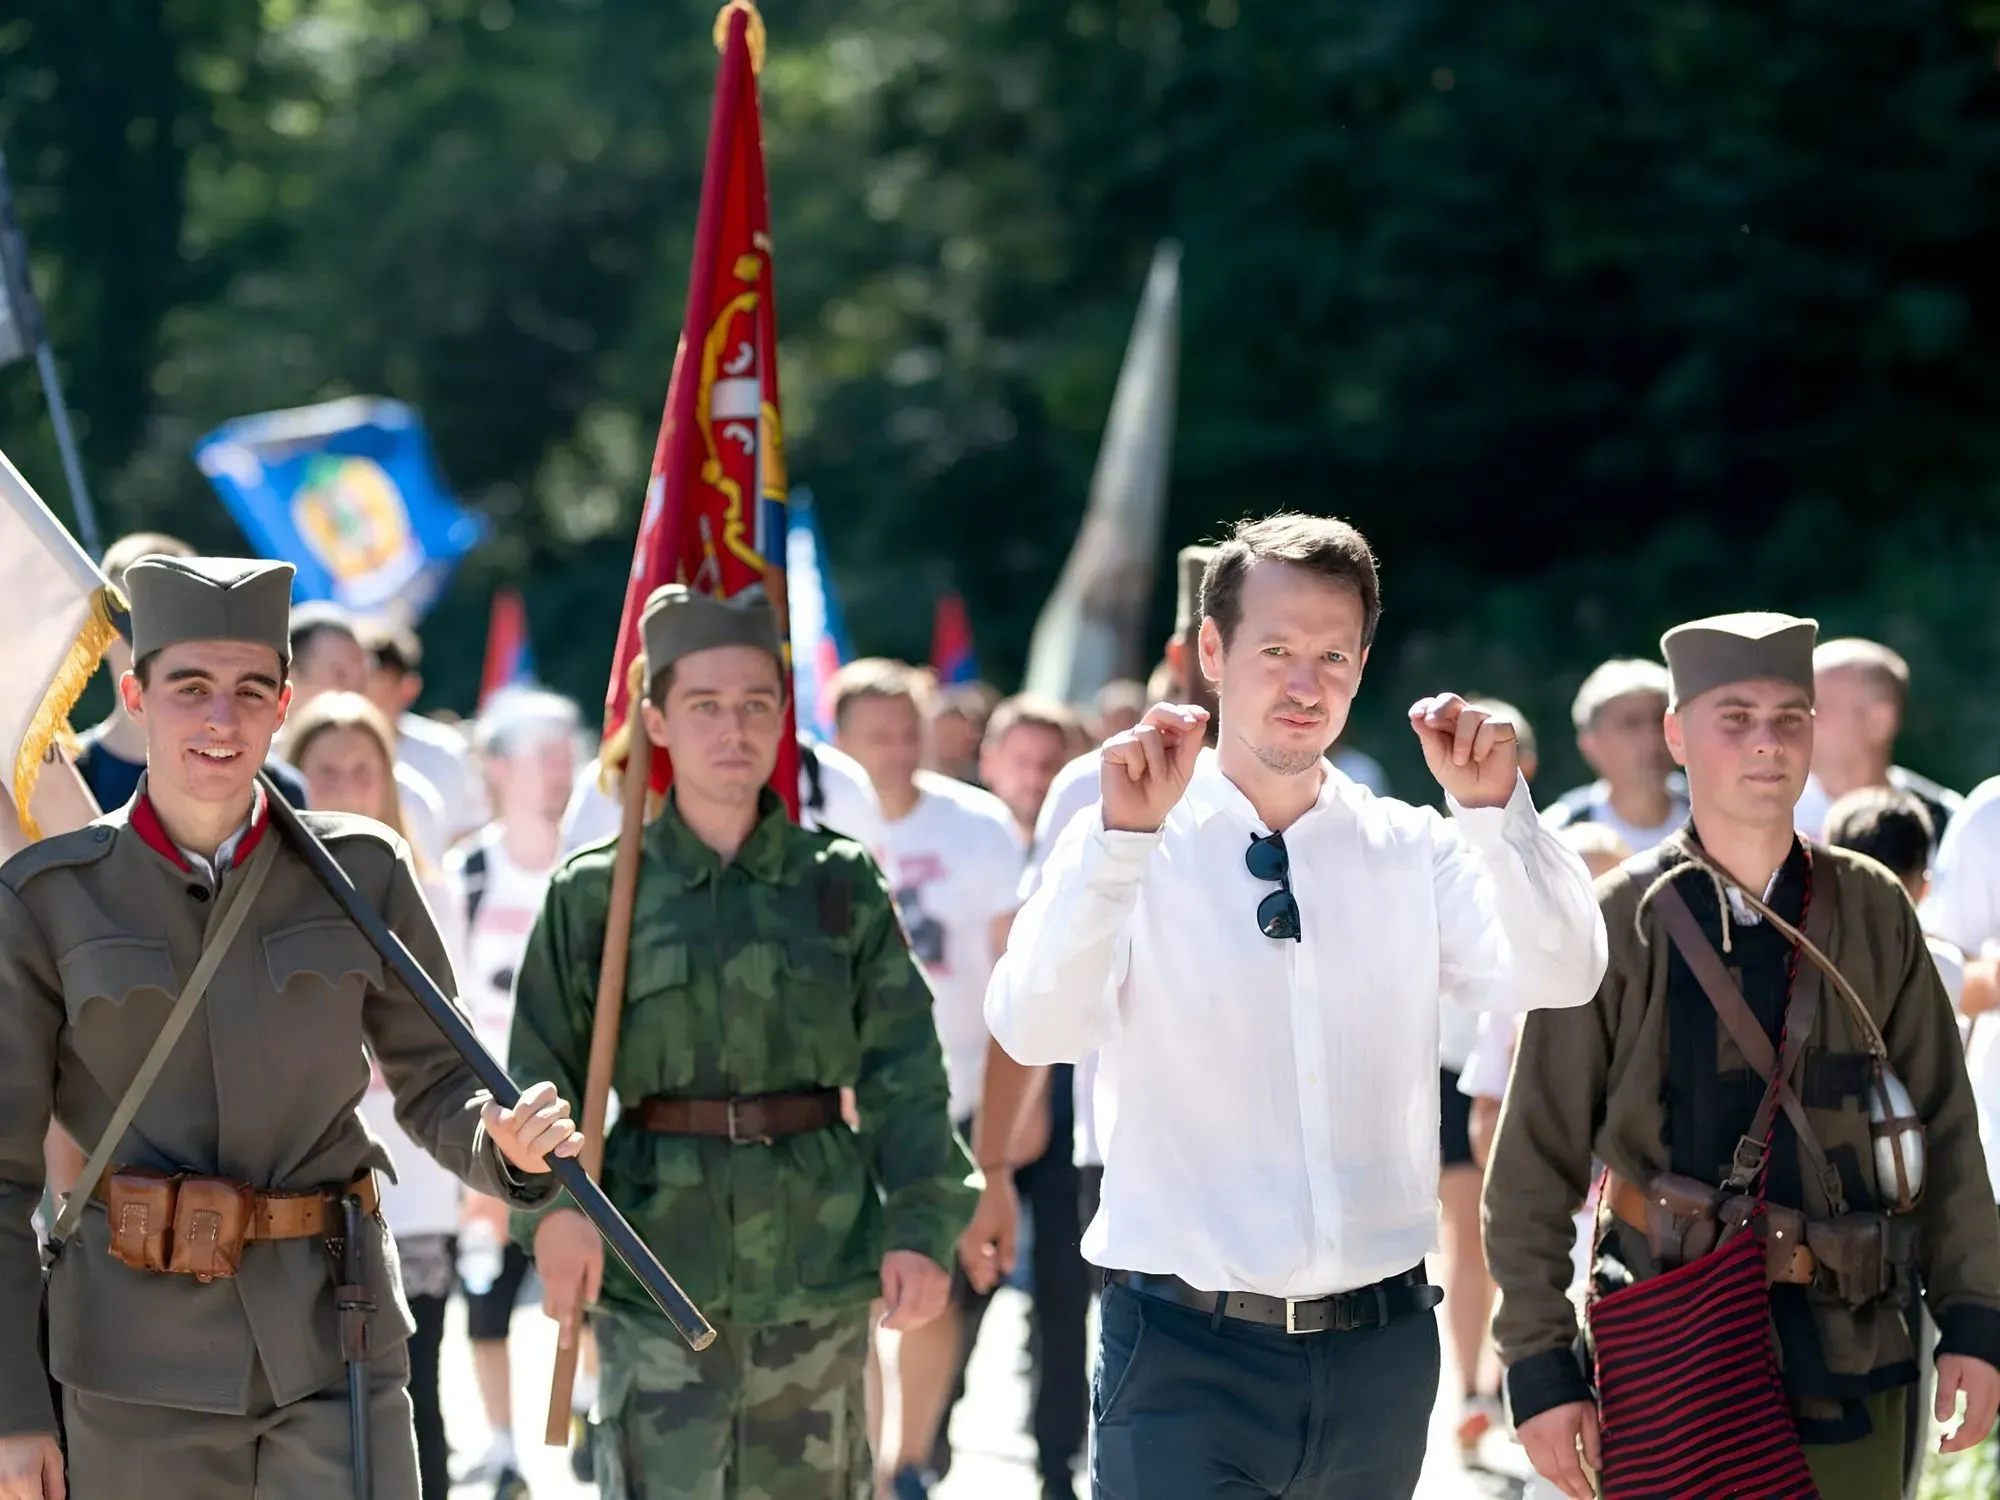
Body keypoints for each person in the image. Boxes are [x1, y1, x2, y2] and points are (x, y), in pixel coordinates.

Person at [987, 513, 1609, 1500]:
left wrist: (1499, 818)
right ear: (1210, 652)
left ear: (1362, 663)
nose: (1303, 683)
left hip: (1380, 1354)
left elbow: (1562, 973)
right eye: (1274, 650)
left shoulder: (1413, 844)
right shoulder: (1125, 833)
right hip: (1180, 1351)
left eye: (1330, 654)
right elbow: (1033, 1026)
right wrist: (1115, 851)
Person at [0, 553, 582, 1500]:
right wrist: (15, 1411)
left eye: (248, 690)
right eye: (191, 689)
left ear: (284, 704)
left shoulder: (364, 871)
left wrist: (501, 1144)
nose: (220, 720)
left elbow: (442, 1079)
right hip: (133, 1372)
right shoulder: (48, 898)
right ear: (136, 695)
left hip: (334, 1343)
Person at [1484, 611, 2000, 1500]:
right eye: (1736, 718)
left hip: (1857, 1344)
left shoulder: (1873, 906)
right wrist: (1540, 1368)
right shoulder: (1618, 920)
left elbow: (1948, 1133)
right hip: (1671, 1348)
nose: (1767, 744)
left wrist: (1975, 1321)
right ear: (1678, 735)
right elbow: (1533, 1161)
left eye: (1790, 718)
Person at [506, 586, 977, 1500]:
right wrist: (554, 1210)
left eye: (758, 705)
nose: (735, 729)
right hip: (652, 1262)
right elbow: (537, 1077)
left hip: (819, 1261)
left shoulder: (839, 885)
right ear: (657, 720)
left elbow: (906, 1076)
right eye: (706, 707)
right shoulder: (597, 896)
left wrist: (921, 1224)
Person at [824, 658, 1025, 1498]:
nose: (899, 750)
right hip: (842, 1106)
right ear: (840, 744)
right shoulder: (814, 826)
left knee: (932, 1291)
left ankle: (911, 1459)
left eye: (911, 731)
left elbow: (1016, 979)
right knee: (859, 1302)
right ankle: (868, 1468)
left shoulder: (977, 828)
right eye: (879, 736)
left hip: (954, 1098)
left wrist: (1012, 1125)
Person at [285, 689, 468, 1500]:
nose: (349, 785)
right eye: (328, 770)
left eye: (365, 769)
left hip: (416, 1170)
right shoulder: (272, 893)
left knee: (414, 1375)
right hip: (307, 1175)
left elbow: (460, 1040)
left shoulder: (427, 884)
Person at [451, 687, 584, 1499]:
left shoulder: (589, 872)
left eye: (568, 755)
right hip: (488, 1126)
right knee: (488, 1290)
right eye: (542, 754)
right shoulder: (466, 874)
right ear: (498, 768)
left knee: (584, 1284)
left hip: (579, 1119)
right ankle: (503, 1449)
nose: (560, 773)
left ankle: (590, 1421)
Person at [74, 531, 312, 817]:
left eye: (175, 621)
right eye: (127, 618)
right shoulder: (69, 774)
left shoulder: (277, 789)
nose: (147, 639)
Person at [289, 601, 450, 867]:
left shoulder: (409, 799)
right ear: (290, 678)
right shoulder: (249, 785)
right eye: (339, 674)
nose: (355, 690)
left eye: (362, 677)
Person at [1796, 638, 1959, 847]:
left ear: (1879, 720)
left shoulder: (1948, 825)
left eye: (1815, 707)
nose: (1796, 722)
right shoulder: (1762, 816)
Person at [359, 617, 491, 844]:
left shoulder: (445, 752)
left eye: (375, 683)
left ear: (408, 687)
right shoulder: (321, 749)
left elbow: (466, 837)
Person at [1543, 657, 1689, 851]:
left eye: (1658, 720)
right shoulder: (1557, 836)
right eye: (1631, 723)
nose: (1652, 737)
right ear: (1591, 743)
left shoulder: (1715, 815)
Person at [979, 694, 1082, 847]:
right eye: (1022, 762)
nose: (1034, 778)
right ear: (988, 763)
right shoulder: (952, 846)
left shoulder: (1082, 852)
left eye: (1049, 765)